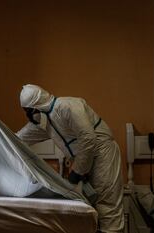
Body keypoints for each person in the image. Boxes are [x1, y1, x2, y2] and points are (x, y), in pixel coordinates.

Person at [16, 84, 124, 233]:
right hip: (84, 161)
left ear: (35, 107)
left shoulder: (68, 106)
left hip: (102, 154)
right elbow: (18, 139)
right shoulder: (46, 122)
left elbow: (88, 138)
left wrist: (77, 171)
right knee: (92, 209)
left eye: (27, 111)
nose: (27, 115)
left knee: (107, 205)